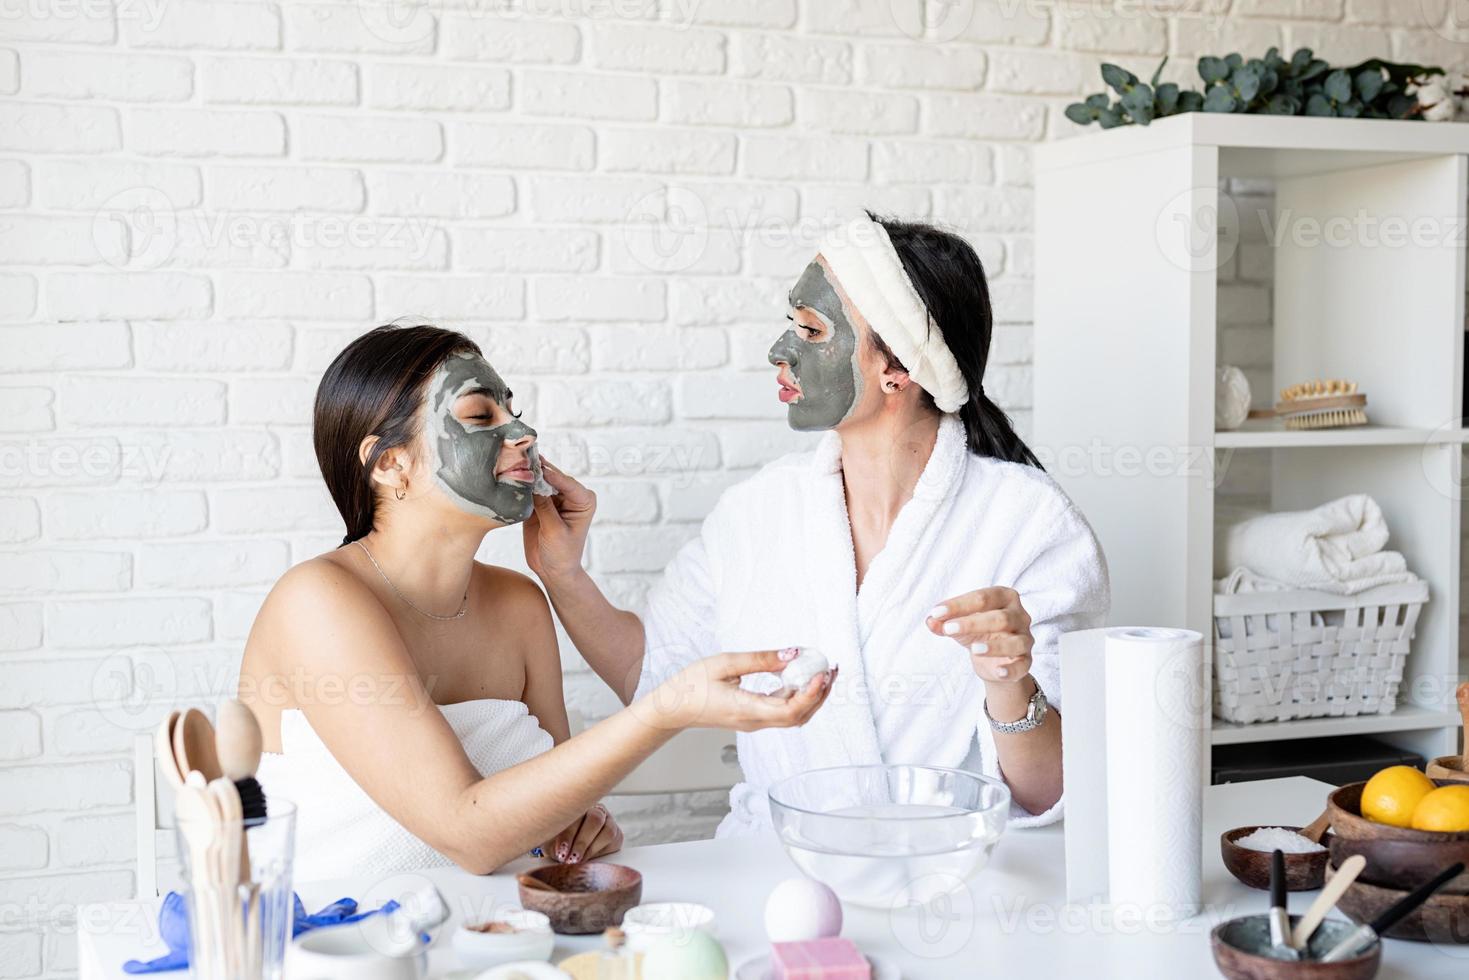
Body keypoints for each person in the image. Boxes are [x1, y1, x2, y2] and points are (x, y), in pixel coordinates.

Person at [525, 213, 1110, 836]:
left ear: (899, 369)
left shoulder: (1028, 522)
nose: (781, 351)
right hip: (781, 871)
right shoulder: (755, 514)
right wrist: (562, 573)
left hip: (958, 872)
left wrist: (1010, 680)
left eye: (810, 329)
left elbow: (1049, 793)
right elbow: (649, 675)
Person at [240, 324, 831, 881]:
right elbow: (465, 831)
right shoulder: (317, 602)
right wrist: (666, 708)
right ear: (390, 463)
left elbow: (550, 813)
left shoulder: (521, 602)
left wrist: (576, 827)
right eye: (480, 415)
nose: (522, 435)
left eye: (514, 412)